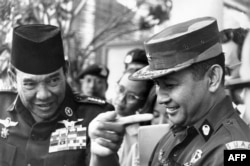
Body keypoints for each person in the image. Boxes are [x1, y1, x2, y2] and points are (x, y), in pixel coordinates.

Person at [88, 17, 250, 166]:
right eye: (158, 84)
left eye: (170, 85)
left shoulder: (234, 151)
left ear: (213, 78)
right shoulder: (179, 131)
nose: (160, 98)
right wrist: (104, 156)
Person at [0, 24, 114, 166]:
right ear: (12, 78)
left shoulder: (94, 117)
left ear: (65, 70)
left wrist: (101, 158)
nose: (43, 95)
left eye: (53, 81)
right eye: (30, 84)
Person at [111, 68, 153, 166]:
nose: (121, 99)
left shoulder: (141, 138)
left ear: (143, 103)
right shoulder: (96, 118)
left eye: (132, 97)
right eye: (120, 90)